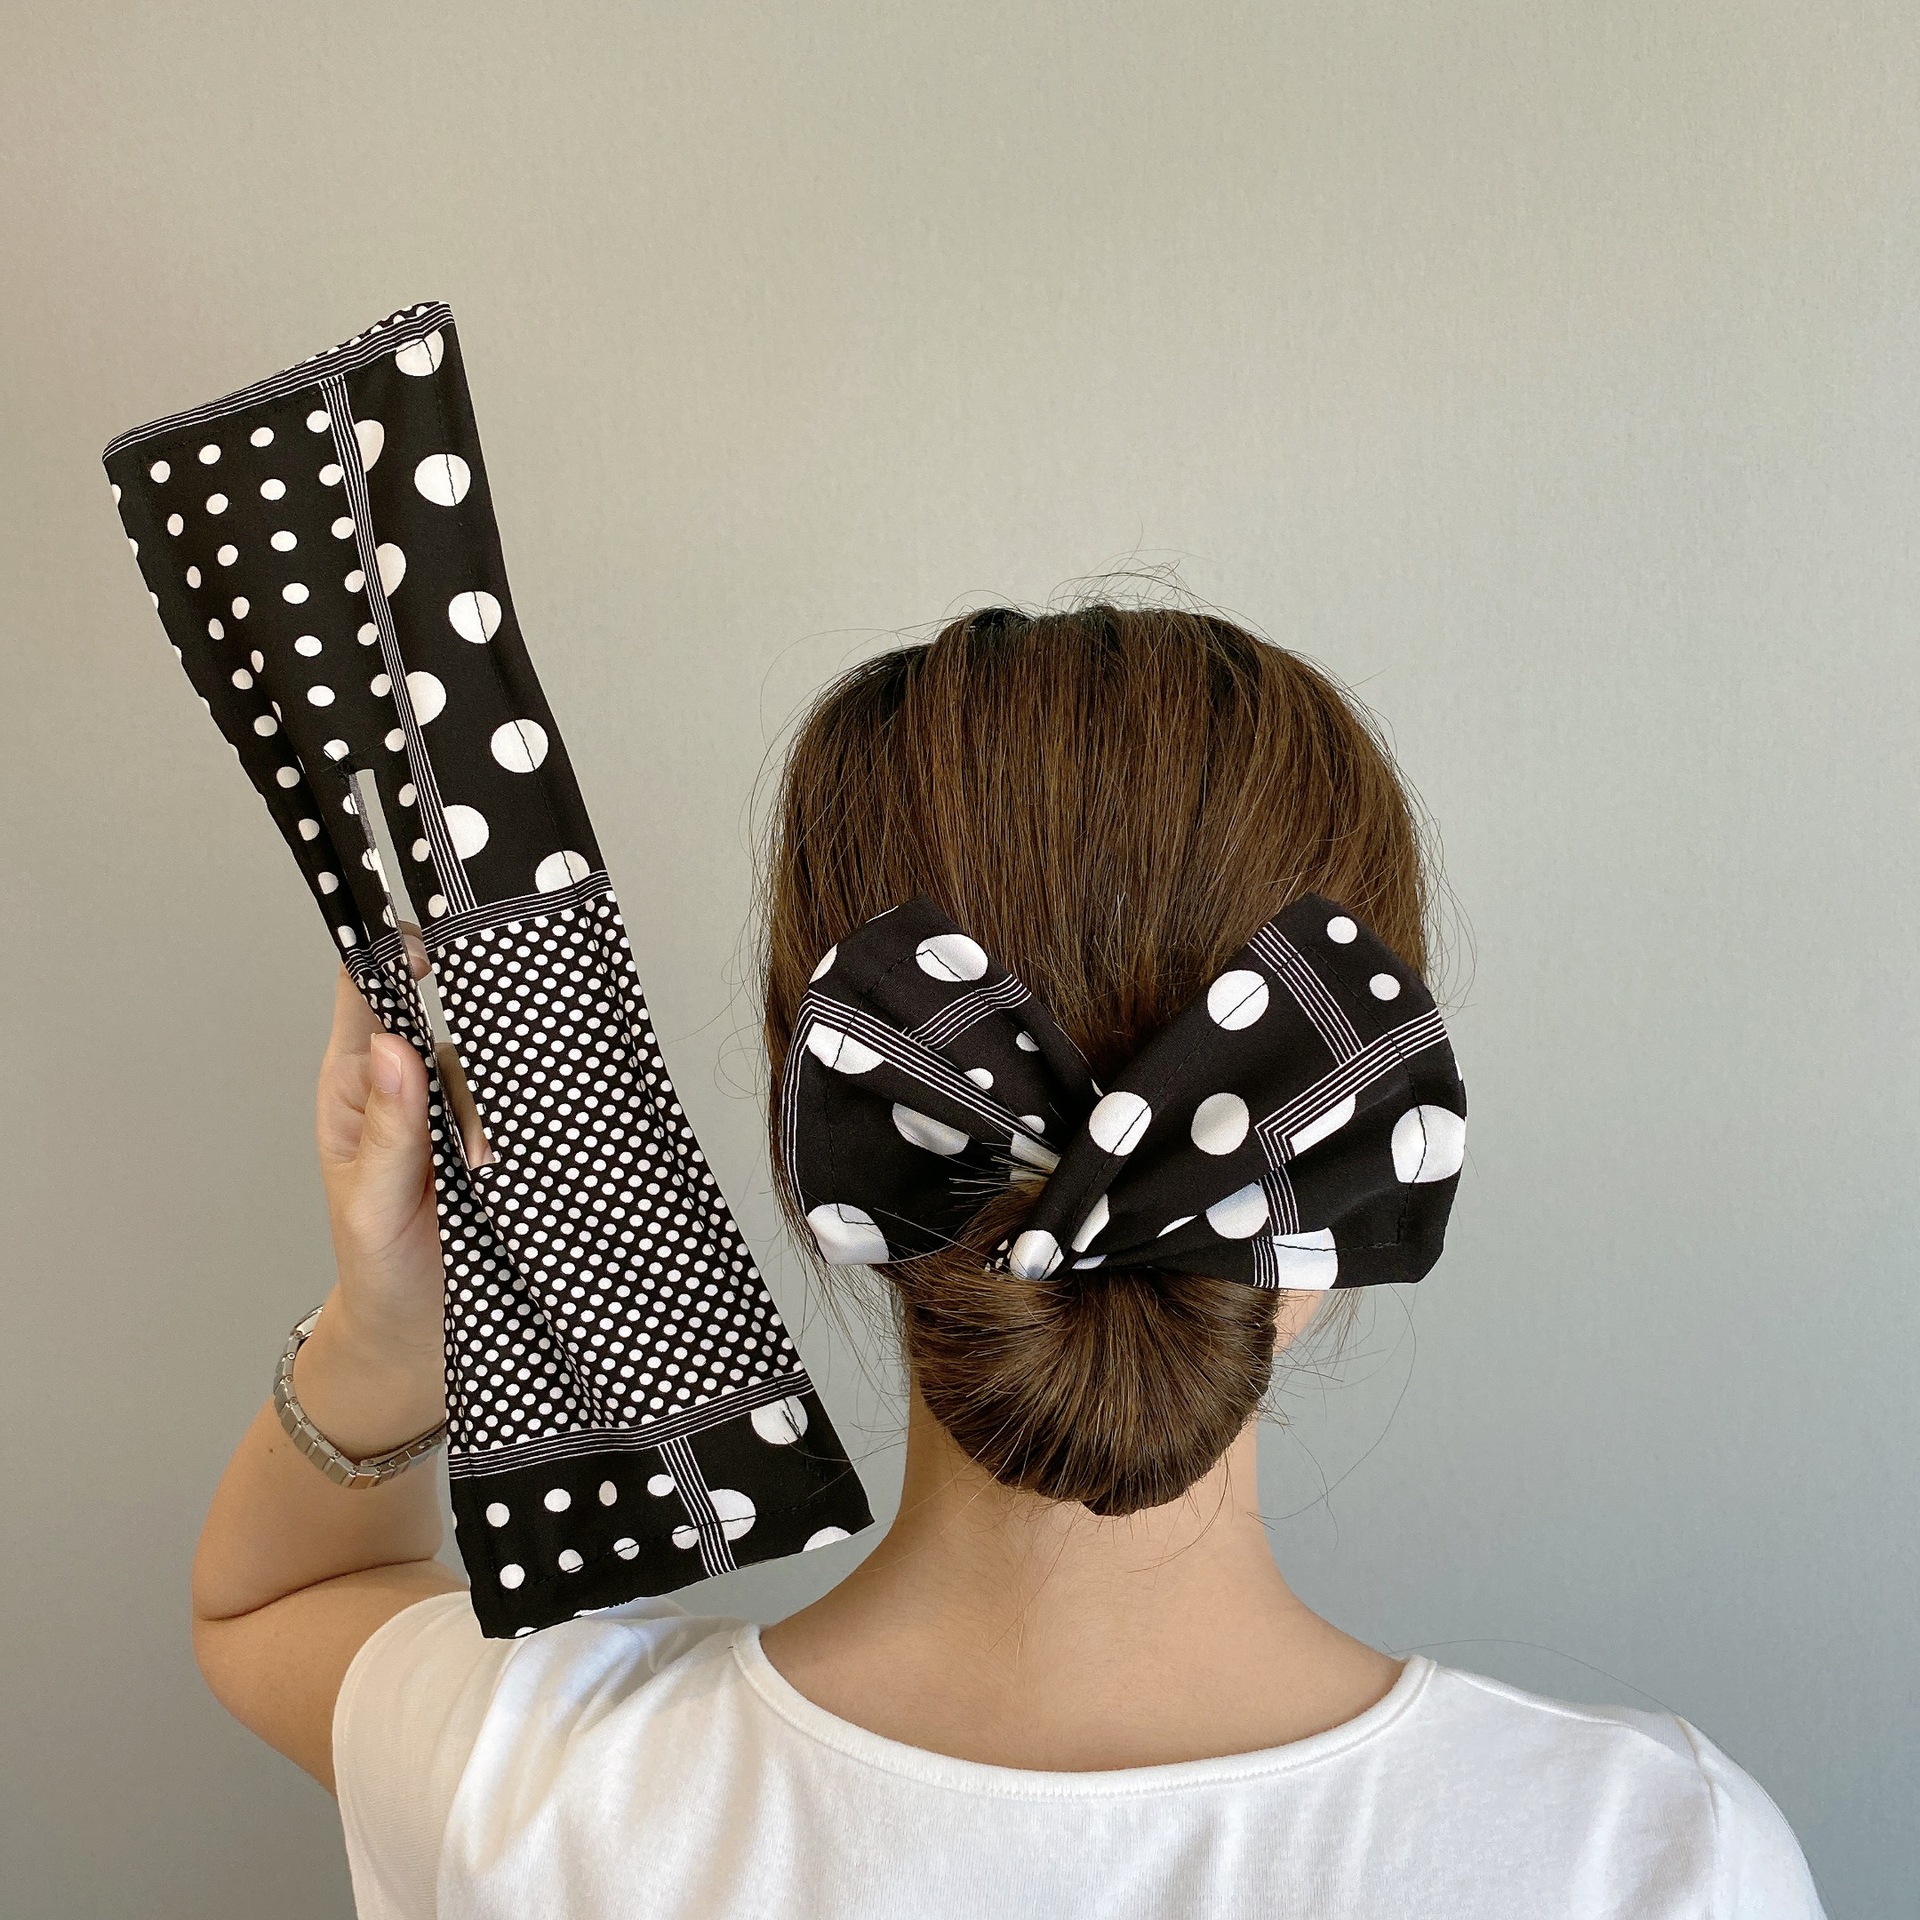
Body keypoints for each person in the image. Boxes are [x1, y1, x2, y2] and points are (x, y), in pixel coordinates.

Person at [190, 606, 1826, 1917]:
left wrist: (398, 1318)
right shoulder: (1652, 1860)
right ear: (1337, 1146)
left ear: (828, 1141)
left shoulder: (537, 1792)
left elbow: (270, 1598)